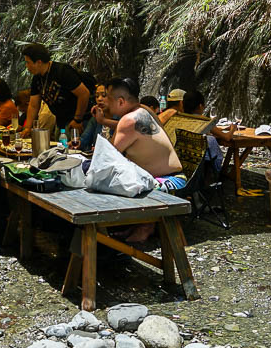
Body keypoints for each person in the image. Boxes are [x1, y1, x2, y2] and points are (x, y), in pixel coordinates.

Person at [102, 78, 185, 243]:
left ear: (120, 101)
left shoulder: (129, 120)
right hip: (176, 175)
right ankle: (136, 225)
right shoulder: (143, 110)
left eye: (107, 97)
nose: (104, 101)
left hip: (168, 181)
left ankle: (144, 227)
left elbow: (107, 156)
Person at [20, 43, 90, 136]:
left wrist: (77, 119)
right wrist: (27, 128)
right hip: (61, 121)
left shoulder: (62, 72)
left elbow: (84, 93)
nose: (27, 66)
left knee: (74, 148)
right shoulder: (37, 78)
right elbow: (33, 105)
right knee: (59, 148)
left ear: (39, 62)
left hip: (78, 120)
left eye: (28, 62)